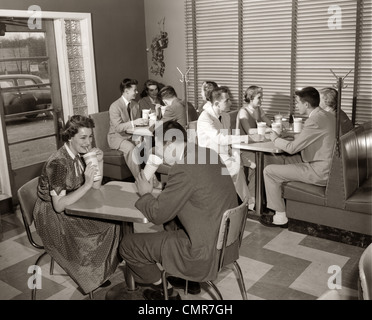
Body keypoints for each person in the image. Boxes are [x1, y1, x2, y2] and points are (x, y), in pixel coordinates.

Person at [119, 120, 239, 300]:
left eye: (157, 147)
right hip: (226, 244)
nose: (156, 152)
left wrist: (145, 194)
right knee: (171, 224)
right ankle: (182, 278)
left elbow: (157, 215)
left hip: (203, 252)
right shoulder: (208, 153)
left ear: (169, 143)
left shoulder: (183, 168)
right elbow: (199, 189)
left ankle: (165, 290)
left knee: (129, 245)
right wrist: (164, 189)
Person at [33, 115, 121, 294]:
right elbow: (58, 206)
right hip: (52, 217)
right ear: (69, 137)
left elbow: (95, 185)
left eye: (90, 137)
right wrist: (87, 184)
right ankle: (91, 274)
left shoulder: (80, 154)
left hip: (73, 205)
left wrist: (100, 161)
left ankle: (98, 272)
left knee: (113, 223)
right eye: (83, 137)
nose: (88, 142)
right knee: (104, 227)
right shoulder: (58, 164)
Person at [261, 87, 336, 228]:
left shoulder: (314, 120)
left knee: (269, 171)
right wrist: (290, 136)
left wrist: (275, 138)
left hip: (319, 171)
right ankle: (272, 200)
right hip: (327, 165)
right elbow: (312, 137)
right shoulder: (327, 115)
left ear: (306, 104)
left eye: (297, 103)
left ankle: (280, 217)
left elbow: (291, 148)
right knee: (278, 160)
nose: (296, 106)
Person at [197, 86, 254, 208]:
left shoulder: (226, 116)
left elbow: (227, 138)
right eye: (226, 100)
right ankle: (245, 202)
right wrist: (246, 138)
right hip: (210, 157)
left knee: (253, 164)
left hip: (224, 153)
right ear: (217, 103)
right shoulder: (205, 118)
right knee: (236, 168)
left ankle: (248, 199)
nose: (231, 103)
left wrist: (234, 152)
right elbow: (220, 138)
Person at [236, 85, 271, 203]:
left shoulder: (259, 110)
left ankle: (261, 195)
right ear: (251, 98)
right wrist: (266, 129)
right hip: (242, 149)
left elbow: (268, 122)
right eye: (259, 98)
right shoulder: (243, 112)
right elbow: (249, 131)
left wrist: (274, 125)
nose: (261, 100)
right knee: (259, 166)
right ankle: (252, 200)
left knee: (269, 162)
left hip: (254, 147)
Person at [108, 78, 147, 178]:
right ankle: (140, 179)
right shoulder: (115, 106)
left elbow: (137, 125)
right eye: (135, 90)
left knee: (148, 144)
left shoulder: (135, 105)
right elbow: (118, 128)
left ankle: (150, 176)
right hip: (117, 137)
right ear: (126, 91)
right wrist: (134, 123)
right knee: (131, 149)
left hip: (131, 136)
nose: (137, 92)